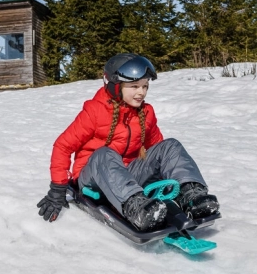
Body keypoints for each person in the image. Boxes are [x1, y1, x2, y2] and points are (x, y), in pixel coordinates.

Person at [36, 53, 219, 232]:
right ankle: (136, 208)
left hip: (128, 175)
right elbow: (63, 146)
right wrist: (57, 188)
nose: (141, 92)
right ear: (116, 86)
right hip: (93, 177)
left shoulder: (145, 113)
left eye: (145, 86)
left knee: (170, 146)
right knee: (104, 153)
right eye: (134, 86)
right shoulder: (95, 112)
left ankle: (193, 196)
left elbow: (158, 150)